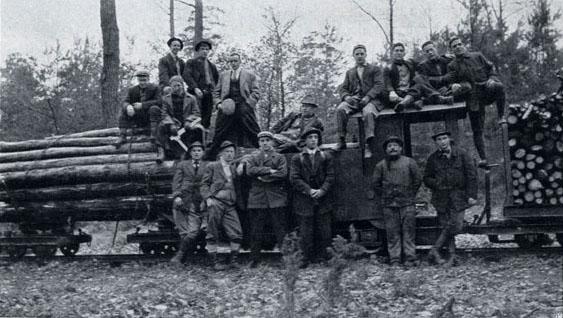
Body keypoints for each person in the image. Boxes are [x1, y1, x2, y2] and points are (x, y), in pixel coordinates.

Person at [446, 37, 507, 165]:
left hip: (486, 90)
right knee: (477, 130)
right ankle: (483, 158)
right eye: (454, 46)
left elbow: (491, 69)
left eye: (459, 44)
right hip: (472, 98)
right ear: (451, 50)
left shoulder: (477, 56)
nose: (458, 47)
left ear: (464, 45)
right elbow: (450, 82)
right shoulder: (452, 65)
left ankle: (501, 116)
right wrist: (454, 86)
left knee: (499, 86)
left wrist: (492, 78)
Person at [423, 130, 477, 266]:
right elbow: (426, 178)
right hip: (441, 197)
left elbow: (472, 176)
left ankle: (434, 250)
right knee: (445, 227)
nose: (442, 141)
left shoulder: (462, 154)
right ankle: (452, 257)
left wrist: (472, 195)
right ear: (436, 142)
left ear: (449, 139)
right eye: (439, 139)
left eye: (444, 138)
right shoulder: (433, 158)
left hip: (458, 196)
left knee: (456, 226)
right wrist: (436, 183)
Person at [372, 136, 422, 267]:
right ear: (386, 150)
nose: (392, 148)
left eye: (395, 145)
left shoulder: (410, 162)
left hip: (407, 204)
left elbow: (417, 179)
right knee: (392, 233)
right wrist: (386, 194)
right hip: (389, 205)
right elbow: (375, 184)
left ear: (400, 148)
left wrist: (409, 193)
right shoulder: (381, 165)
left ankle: (410, 258)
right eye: (389, 146)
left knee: (408, 232)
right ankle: (395, 259)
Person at [290, 128, 335, 267]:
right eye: (310, 137)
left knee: (325, 230)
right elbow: (294, 178)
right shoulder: (297, 158)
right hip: (304, 199)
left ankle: (325, 258)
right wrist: (309, 190)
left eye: (315, 137)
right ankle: (305, 259)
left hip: (323, 198)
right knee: (305, 231)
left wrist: (322, 190)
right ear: (305, 141)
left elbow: (331, 176)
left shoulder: (325, 156)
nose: (313, 139)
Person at [244, 131, 288, 267]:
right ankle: (254, 259)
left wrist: (262, 175)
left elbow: (283, 173)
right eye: (262, 141)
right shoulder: (253, 157)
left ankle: (286, 258)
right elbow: (249, 171)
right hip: (257, 198)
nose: (265, 143)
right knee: (256, 230)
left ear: (272, 142)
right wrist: (269, 171)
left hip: (276, 197)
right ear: (259, 143)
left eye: (267, 140)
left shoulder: (280, 157)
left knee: (280, 229)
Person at [336, 44, 386, 158]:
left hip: (372, 99)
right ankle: (341, 140)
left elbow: (379, 85)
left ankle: (368, 144)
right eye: (357, 54)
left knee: (368, 113)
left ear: (366, 55)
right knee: (340, 109)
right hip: (355, 99)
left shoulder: (375, 69)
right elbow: (343, 88)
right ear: (353, 56)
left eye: (362, 54)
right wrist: (346, 97)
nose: (359, 56)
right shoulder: (350, 72)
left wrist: (368, 97)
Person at [201, 140, 244, 270]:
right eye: (227, 152)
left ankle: (233, 261)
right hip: (216, 203)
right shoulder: (212, 166)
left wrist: (241, 163)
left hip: (230, 205)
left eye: (232, 152)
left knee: (236, 232)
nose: (230, 154)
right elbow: (204, 184)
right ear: (221, 153)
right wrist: (208, 198)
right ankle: (214, 262)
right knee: (212, 232)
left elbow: (247, 158)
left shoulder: (233, 167)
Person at [209, 52, 261, 157]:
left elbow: (256, 92)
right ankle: (212, 153)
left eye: (235, 61)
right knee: (220, 128)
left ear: (240, 61)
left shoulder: (249, 74)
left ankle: (261, 147)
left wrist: (249, 104)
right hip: (227, 105)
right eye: (231, 61)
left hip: (243, 104)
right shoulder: (224, 75)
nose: (233, 63)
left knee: (251, 126)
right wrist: (219, 104)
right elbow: (216, 92)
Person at [170, 141, 208, 265]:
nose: (196, 153)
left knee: (193, 232)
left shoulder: (207, 166)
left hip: (198, 201)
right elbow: (176, 182)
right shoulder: (183, 165)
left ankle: (179, 256)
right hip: (182, 200)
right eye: (194, 151)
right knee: (184, 232)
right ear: (190, 153)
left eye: (199, 151)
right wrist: (176, 196)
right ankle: (187, 259)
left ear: (203, 153)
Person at [156, 76, 204, 161]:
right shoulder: (166, 99)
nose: (176, 88)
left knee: (197, 129)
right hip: (174, 123)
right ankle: (161, 151)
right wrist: (171, 124)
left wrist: (188, 121)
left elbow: (197, 113)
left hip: (187, 124)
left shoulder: (191, 98)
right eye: (173, 86)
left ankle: (193, 152)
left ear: (182, 85)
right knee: (161, 126)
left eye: (178, 85)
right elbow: (164, 114)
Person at [116, 70, 162, 148]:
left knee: (154, 108)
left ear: (148, 79)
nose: (142, 83)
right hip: (138, 118)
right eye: (140, 80)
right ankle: (122, 136)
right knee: (124, 111)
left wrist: (143, 105)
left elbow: (159, 101)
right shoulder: (132, 90)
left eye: (144, 80)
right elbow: (125, 101)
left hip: (151, 118)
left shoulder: (155, 88)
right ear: (138, 80)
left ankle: (153, 135)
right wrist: (128, 107)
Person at [182, 39, 219, 130]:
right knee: (194, 116)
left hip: (208, 94)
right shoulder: (191, 63)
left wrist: (215, 94)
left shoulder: (212, 66)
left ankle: (204, 138)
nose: (205, 51)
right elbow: (186, 75)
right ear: (198, 51)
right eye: (202, 49)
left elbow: (216, 80)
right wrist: (195, 88)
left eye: (207, 49)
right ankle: (194, 139)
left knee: (207, 117)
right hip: (194, 93)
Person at [383, 43, 424, 112]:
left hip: (410, 91)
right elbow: (387, 82)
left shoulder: (410, 63)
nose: (399, 53)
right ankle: (411, 102)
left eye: (401, 51)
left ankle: (403, 103)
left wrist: (444, 57)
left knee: (419, 83)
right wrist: (392, 91)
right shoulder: (388, 68)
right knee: (383, 93)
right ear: (392, 53)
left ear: (404, 53)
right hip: (398, 93)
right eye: (396, 51)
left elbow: (423, 66)